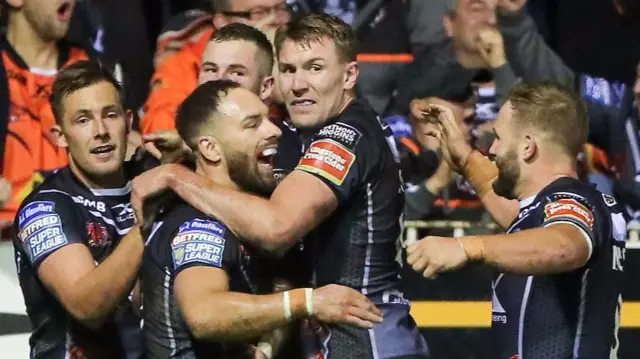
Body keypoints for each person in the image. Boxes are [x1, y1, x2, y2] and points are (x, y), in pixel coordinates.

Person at [132, 13, 428, 359]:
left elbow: (276, 227)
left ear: (349, 75)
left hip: (363, 339)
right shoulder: (318, 135)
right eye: (289, 69)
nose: (298, 84)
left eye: (314, 68)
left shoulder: (342, 137)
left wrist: (177, 176)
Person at [142, 79, 384, 359]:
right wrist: (308, 302)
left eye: (268, 119)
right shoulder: (201, 224)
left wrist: (266, 348)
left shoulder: (244, 216)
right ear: (210, 149)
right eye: (252, 124)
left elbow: (279, 285)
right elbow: (204, 314)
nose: (273, 130)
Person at [408, 82, 627, 358]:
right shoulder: (556, 207)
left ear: (527, 147)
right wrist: (463, 157)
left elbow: (564, 245)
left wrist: (467, 247)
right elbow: (511, 209)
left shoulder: (571, 202)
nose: (493, 150)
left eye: (499, 137)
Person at [11, 60, 178, 359]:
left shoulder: (155, 176)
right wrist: (152, 218)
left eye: (110, 115)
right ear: (60, 135)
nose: (100, 131)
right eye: (83, 120)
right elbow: (86, 306)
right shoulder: (44, 208)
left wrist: (189, 155)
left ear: (128, 122)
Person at [140, 0, 291, 134]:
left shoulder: (299, 51)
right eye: (258, 13)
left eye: (280, 8)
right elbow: (162, 131)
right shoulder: (185, 63)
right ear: (222, 21)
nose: (275, 20)